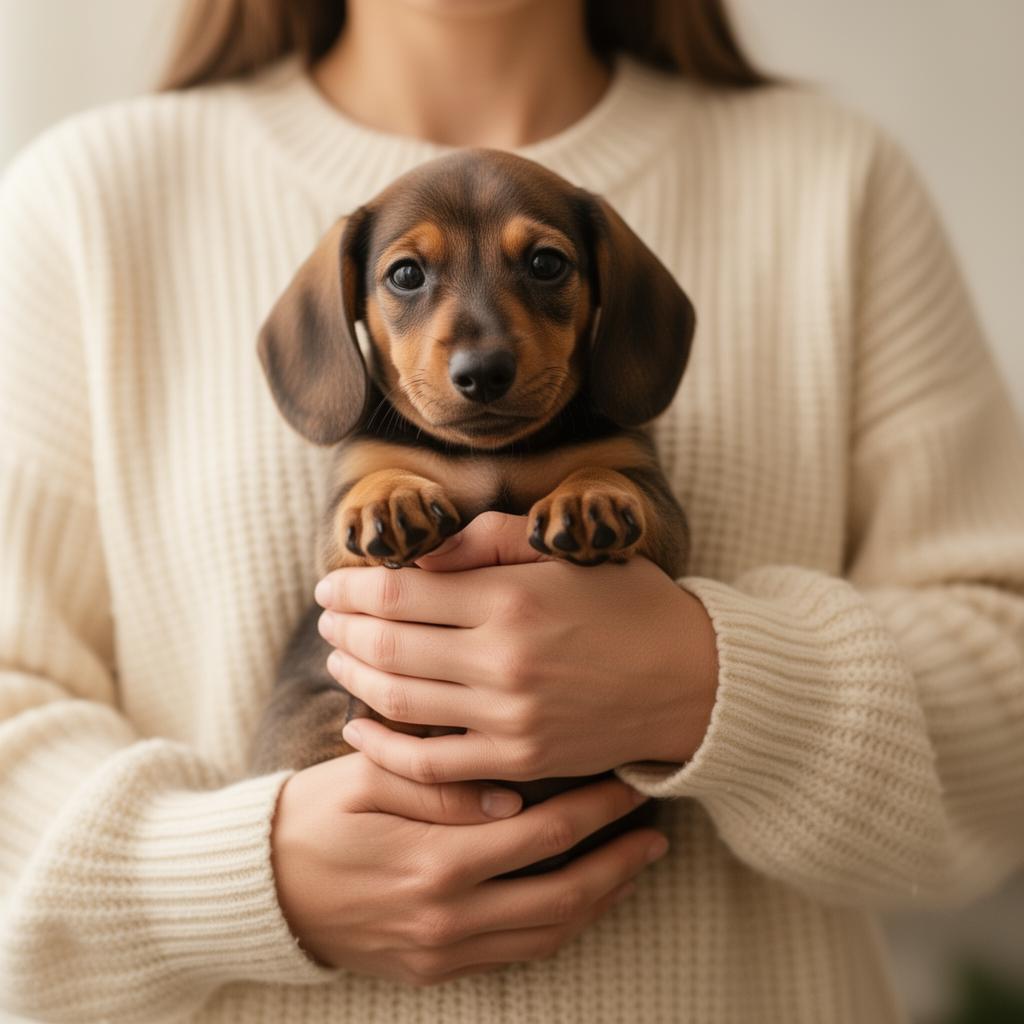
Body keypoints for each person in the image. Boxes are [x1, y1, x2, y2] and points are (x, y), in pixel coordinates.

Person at [1, 0, 1022, 1020]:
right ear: (352, 311)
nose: (480, 345)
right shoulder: (83, 203)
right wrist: (243, 881)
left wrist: (709, 685)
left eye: (543, 268)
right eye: (409, 277)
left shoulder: (839, 181)